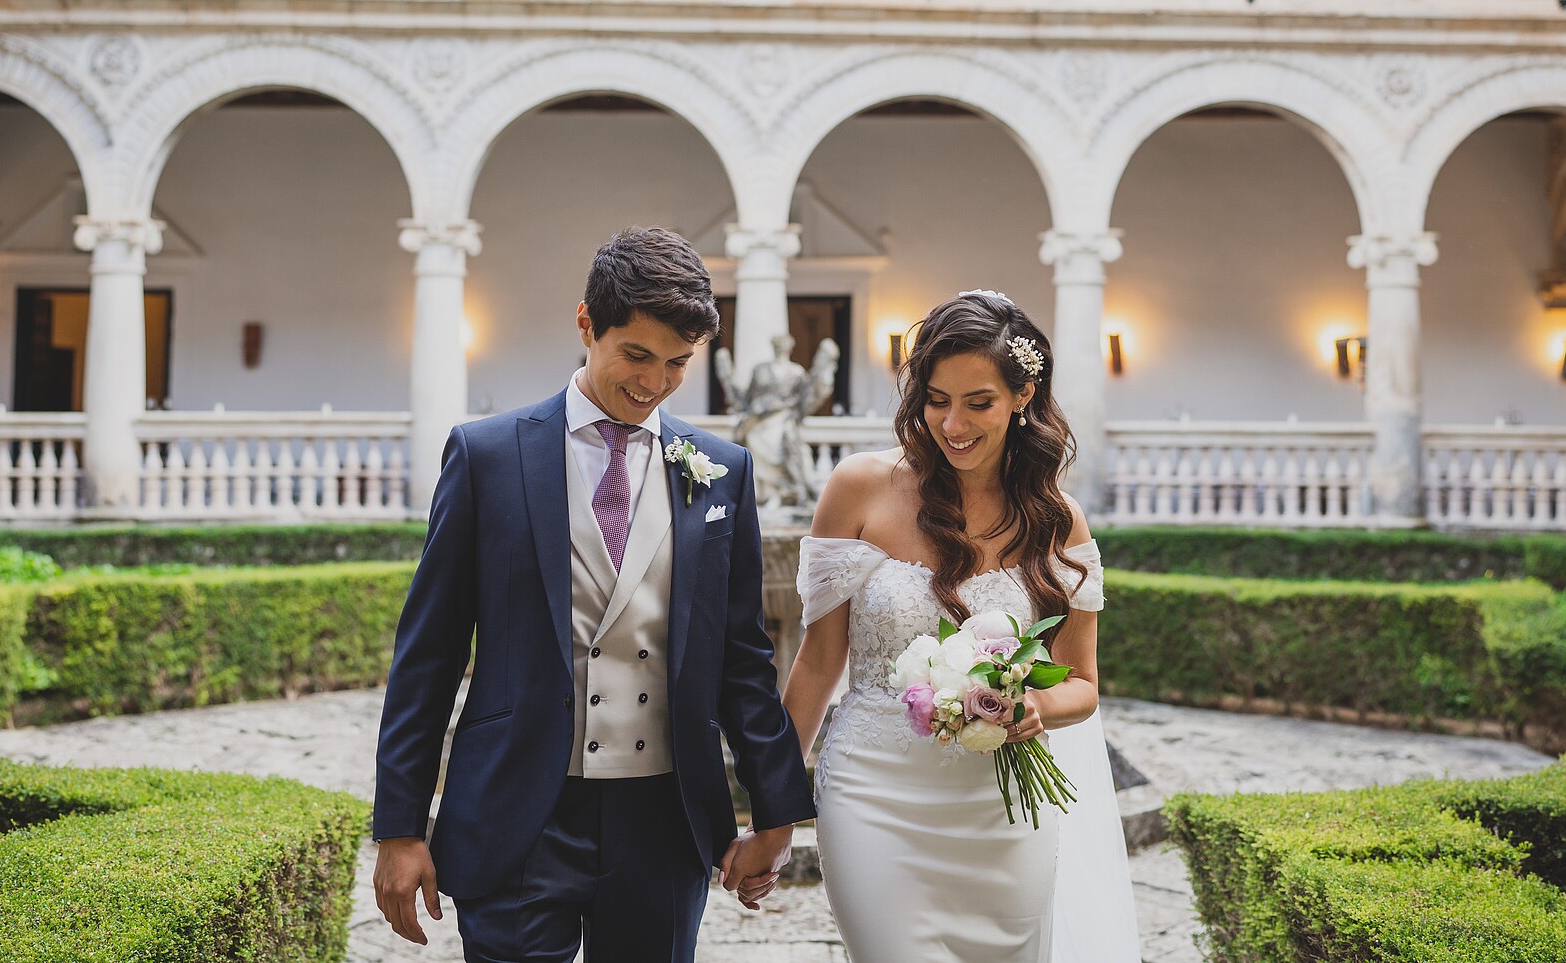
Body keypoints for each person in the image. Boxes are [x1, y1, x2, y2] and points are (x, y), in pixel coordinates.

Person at [371, 227, 816, 962]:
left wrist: (776, 812)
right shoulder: (488, 456)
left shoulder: (721, 469)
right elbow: (430, 654)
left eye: (677, 364)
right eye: (636, 356)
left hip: (662, 819)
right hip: (518, 810)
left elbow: (741, 658)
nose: (654, 383)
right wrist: (399, 826)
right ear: (587, 324)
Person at [783, 289, 1141, 962]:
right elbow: (816, 662)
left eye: (978, 402)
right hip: (872, 796)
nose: (953, 424)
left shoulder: (1057, 520)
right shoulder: (859, 487)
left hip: (1003, 815)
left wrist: (1032, 702)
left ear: (1022, 395)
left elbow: (1085, 685)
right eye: (937, 399)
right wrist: (775, 806)